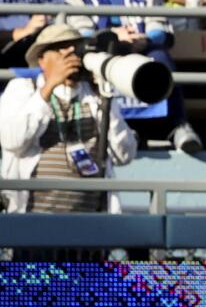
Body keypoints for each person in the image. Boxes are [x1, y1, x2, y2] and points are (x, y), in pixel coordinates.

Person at [0, 23, 136, 212]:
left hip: (89, 227)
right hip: (31, 222)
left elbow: (125, 155)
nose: (69, 55)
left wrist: (106, 98)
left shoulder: (96, 95)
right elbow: (11, 140)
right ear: (41, 60)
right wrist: (48, 88)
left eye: (74, 49)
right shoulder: (23, 89)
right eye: (59, 49)